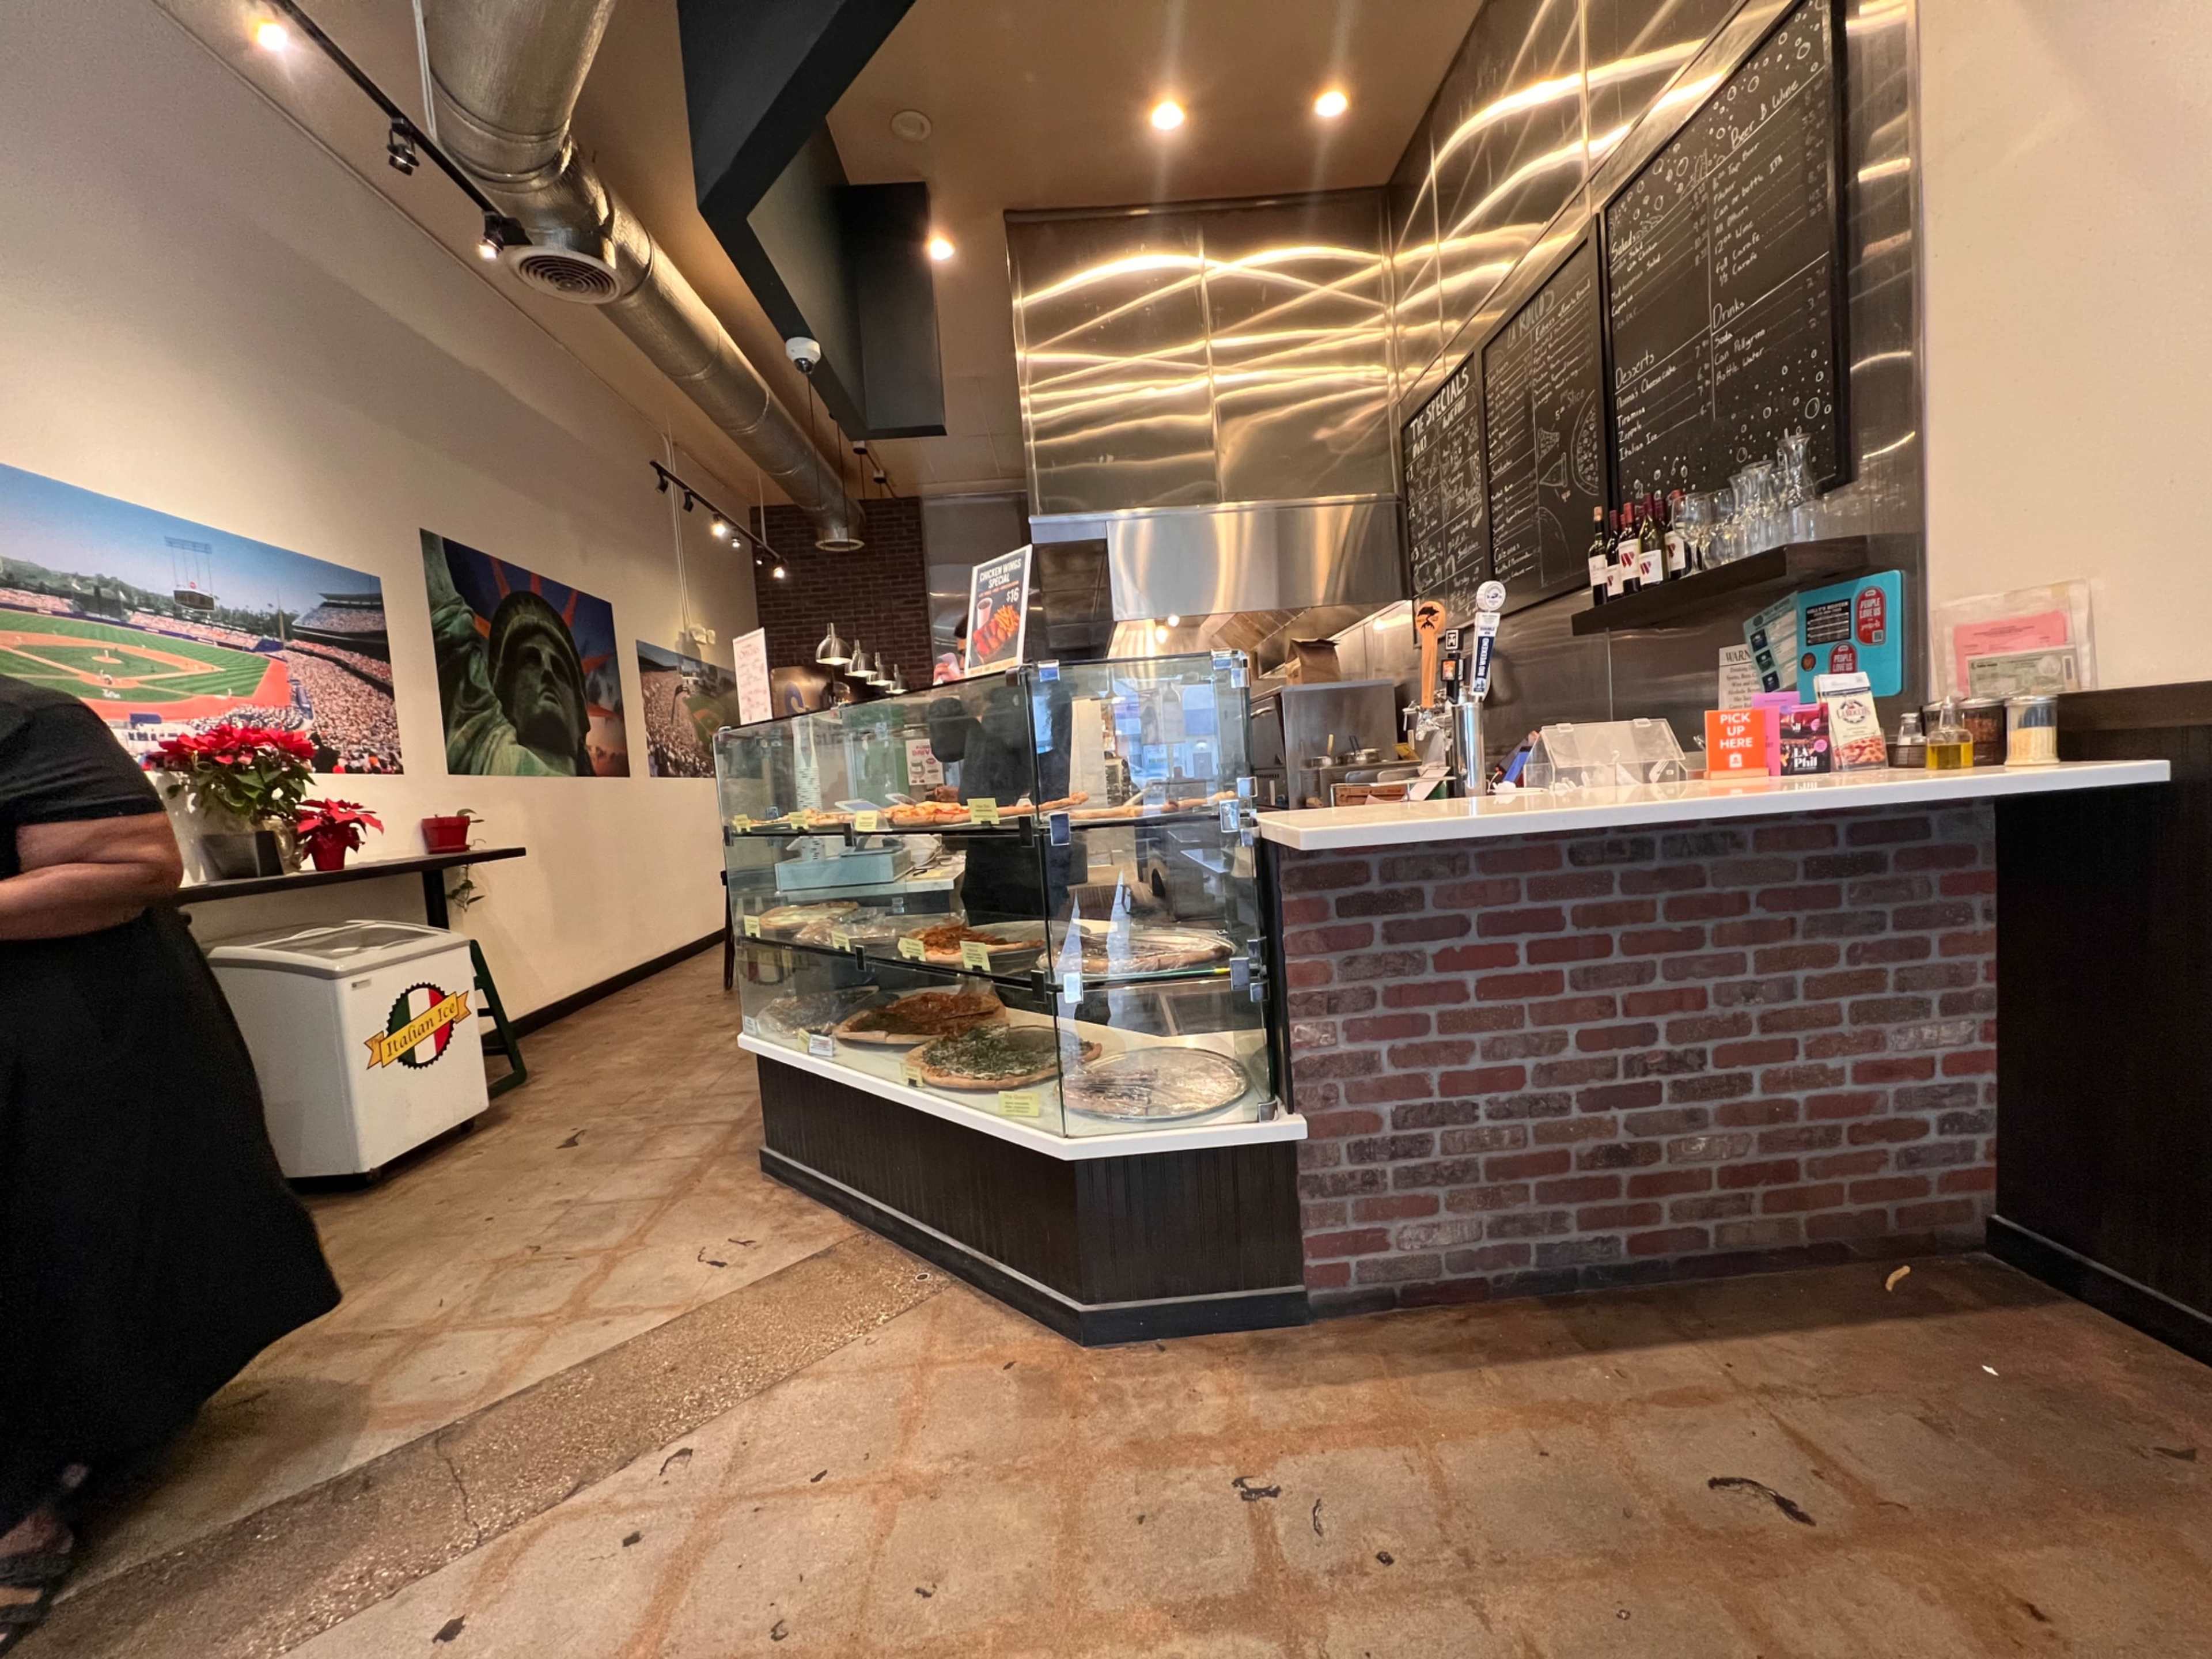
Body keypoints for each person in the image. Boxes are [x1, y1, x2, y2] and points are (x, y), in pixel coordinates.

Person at [0, 674, 339, 1650]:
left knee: (66, 1242)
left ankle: (26, 1503)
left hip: (69, 1036)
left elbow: (134, 862)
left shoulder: (27, 719)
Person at [421, 531, 596, 776]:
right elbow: (451, 635)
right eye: (530, 661)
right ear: (506, 698)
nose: (547, 671)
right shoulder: (490, 753)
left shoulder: (608, 798)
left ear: (582, 718)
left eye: (560, 669)